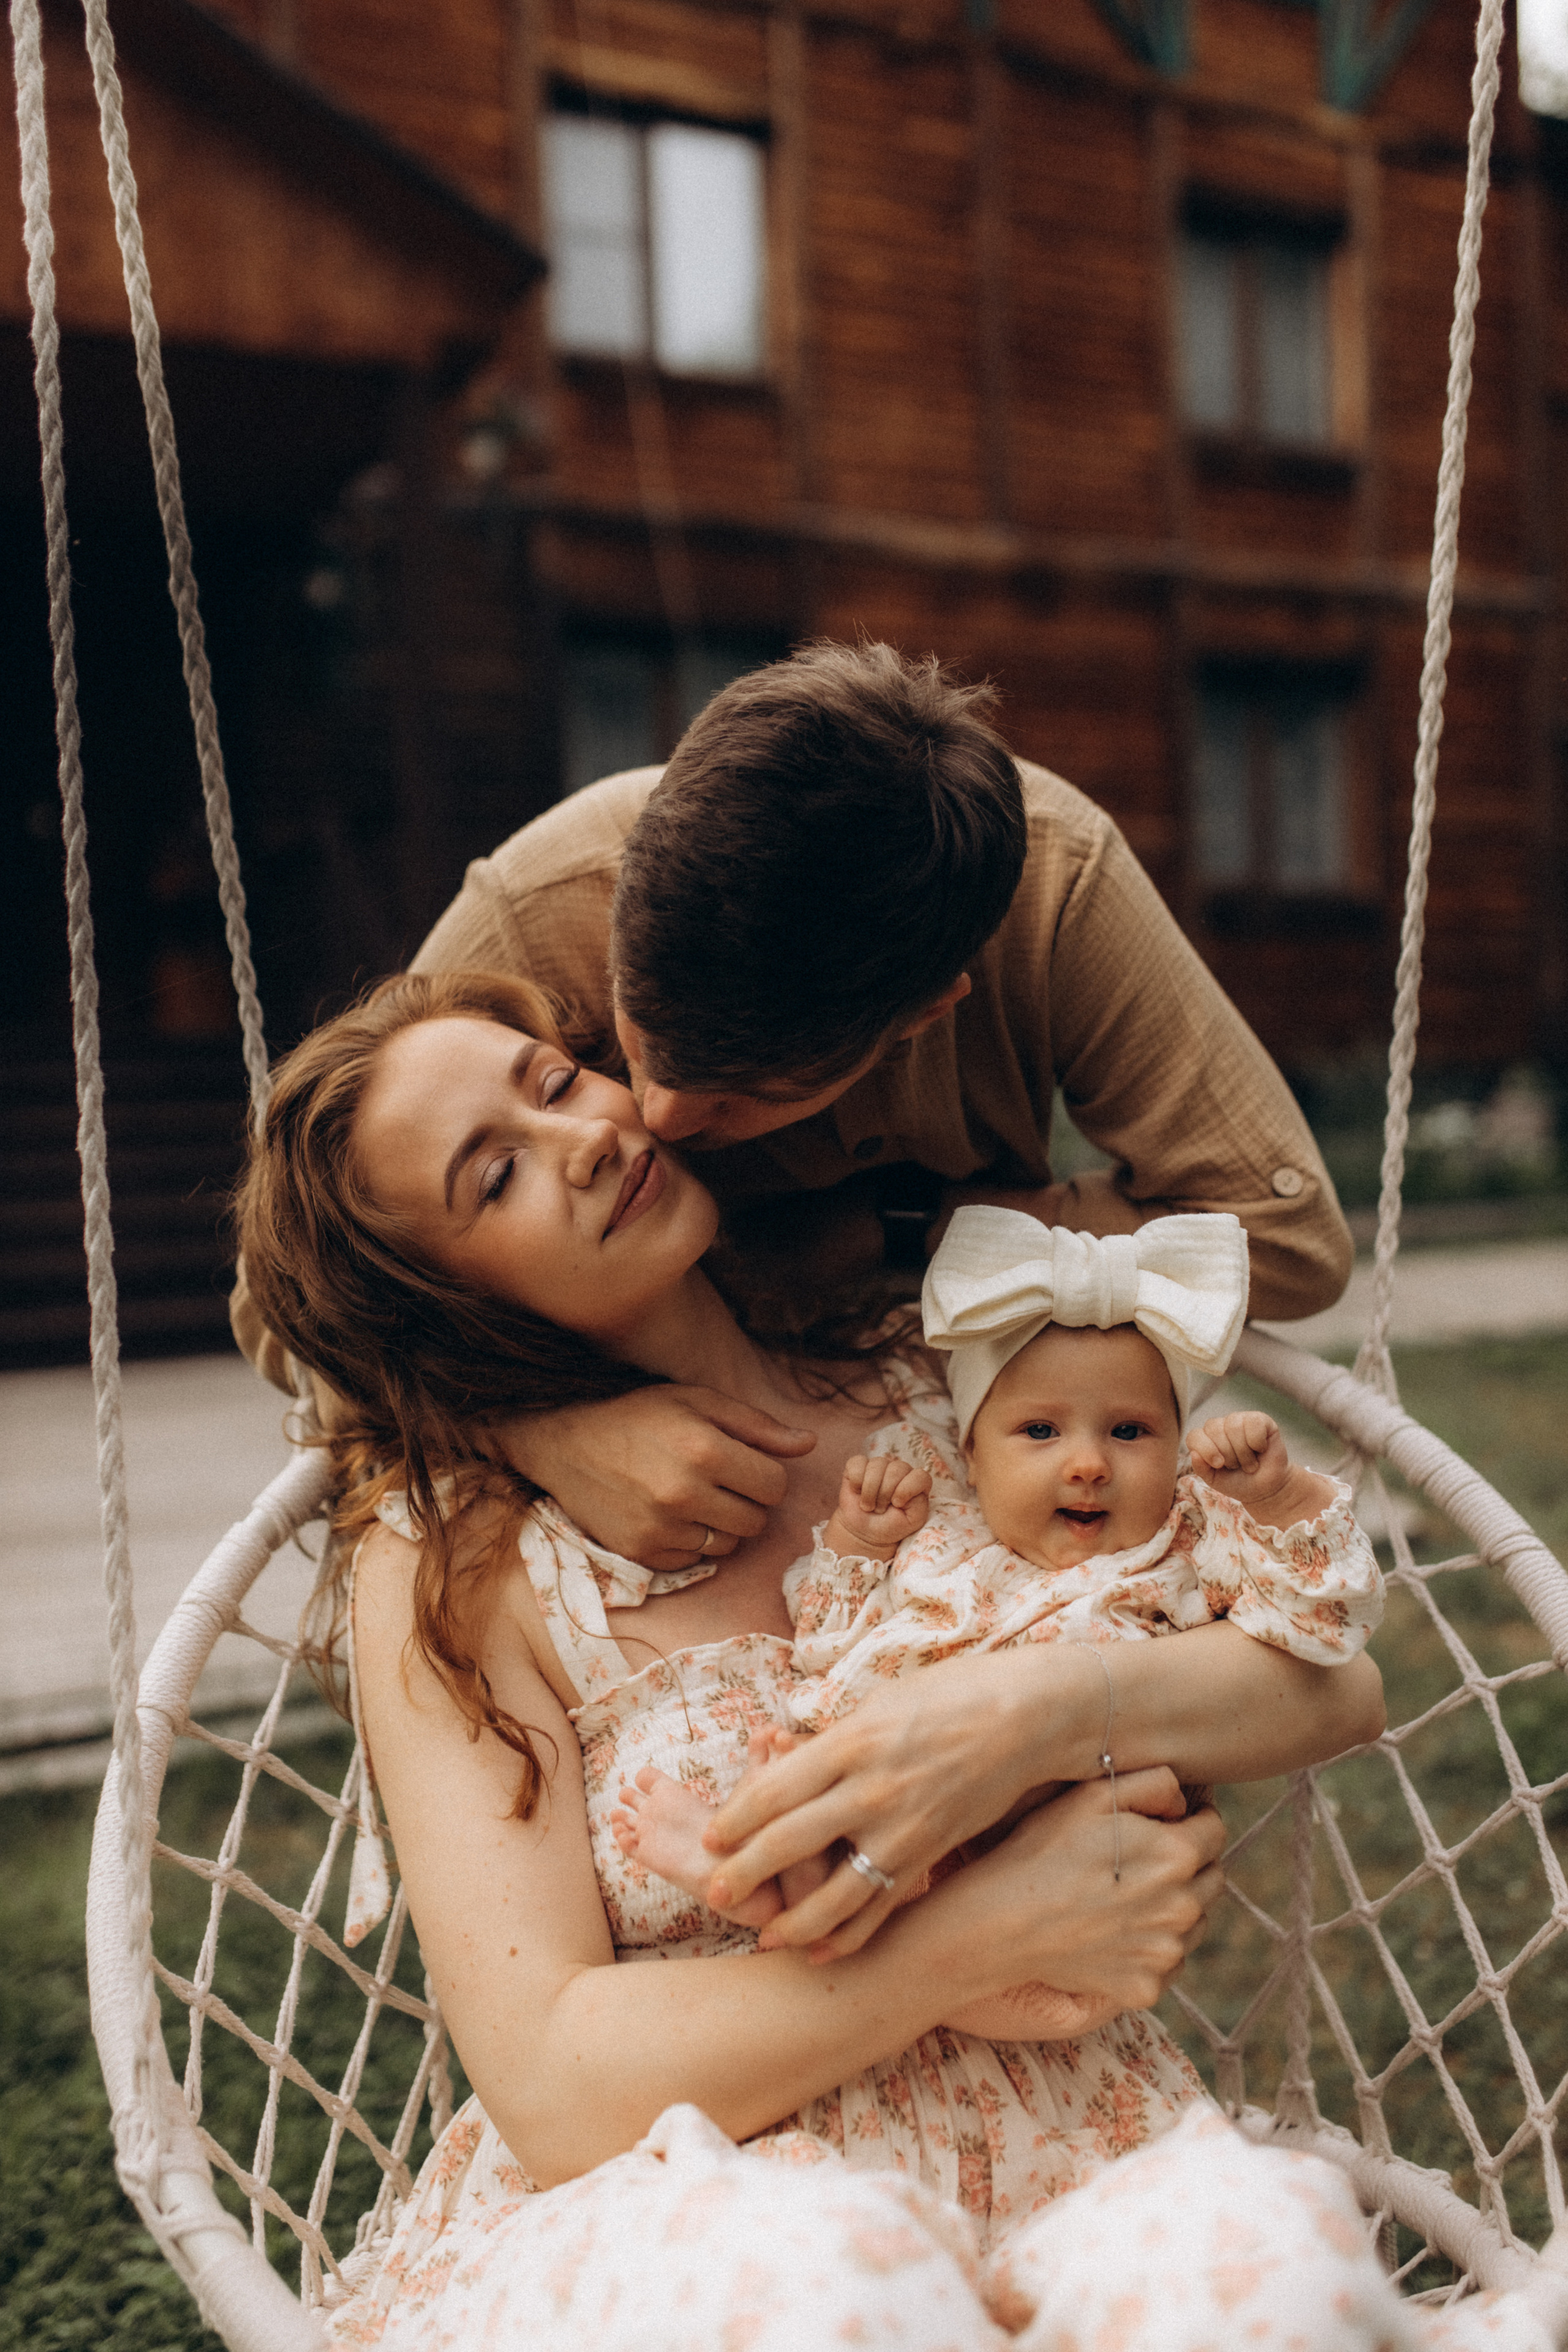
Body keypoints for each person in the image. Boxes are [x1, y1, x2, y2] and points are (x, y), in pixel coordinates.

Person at [227, 964, 1545, 2352]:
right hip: (687, 2183)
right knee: (829, 2289)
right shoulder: (454, 1561)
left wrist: (1033, 1709)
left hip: (1071, 2130)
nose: (588, 1139)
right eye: (495, 1177)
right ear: (442, 1301)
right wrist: (962, 1944)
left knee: (1258, 2271)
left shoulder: (940, 1378)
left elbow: (1331, 1685)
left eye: (557, 1085)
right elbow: (551, 2079)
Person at [231, 641, 1355, 1584]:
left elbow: (1287, 1239)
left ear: (926, 1014)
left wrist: (905, 1231)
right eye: (623, 1043)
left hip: (975, 1481)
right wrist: (546, 1437)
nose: (655, 1116)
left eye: (736, 1096)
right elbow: (299, 1312)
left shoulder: (1056, 890)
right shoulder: (530, 918)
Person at [609, 1210, 1382, 2046]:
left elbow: (1313, 1619)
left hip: (1065, 1859)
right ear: (972, 1456)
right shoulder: (942, 1535)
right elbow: (826, 1644)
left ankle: (768, 1882)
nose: (1087, 1463)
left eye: (1130, 1432)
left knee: (897, 1890)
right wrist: (860, 1546)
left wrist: (1274, 1501)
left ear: (1177, 1449)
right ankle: (751, 1862)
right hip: (894, 1810)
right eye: (1040, 1431)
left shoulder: (1188, 1545)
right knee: (821, 1796)